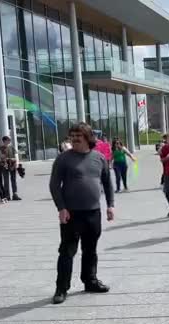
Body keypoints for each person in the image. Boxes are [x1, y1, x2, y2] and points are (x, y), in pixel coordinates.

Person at [49, 123, 114, 304]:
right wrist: (61, 208)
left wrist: (110, 205)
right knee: (67, 251)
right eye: (72, 136)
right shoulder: (63, 159)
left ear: (88, 137)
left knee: (90, 249)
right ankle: (61, 288)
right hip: (71, 214)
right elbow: (54, 185)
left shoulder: (99, 158)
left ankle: (90, 281)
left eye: (79, 135)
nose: (75, 139)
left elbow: (107, 184)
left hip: (93, 212)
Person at [0, 136, 21, 201]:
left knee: (13, 180)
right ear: (4, 141)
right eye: (8, 140)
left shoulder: (11, 147)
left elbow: (16, 155)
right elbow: (1, 158)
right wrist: (7, 159)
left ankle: (15, 194)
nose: (10, 141)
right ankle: (7, 196)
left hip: (12, 165)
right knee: (6, 181)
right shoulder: (1, 148)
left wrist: (17, 164)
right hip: (5, 166)